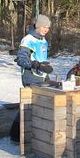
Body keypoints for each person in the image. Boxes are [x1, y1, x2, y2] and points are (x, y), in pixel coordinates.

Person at [10, 14, 54, 142]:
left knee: (44, 103)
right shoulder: (27, 40)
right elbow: (21, 60)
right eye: (44, 27)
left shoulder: (44, 40)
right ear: (38, 26)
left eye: (48, 27)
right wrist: (36, 65)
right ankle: (15, 134)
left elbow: (41, 57)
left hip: (42, 76)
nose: (46, 29)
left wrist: (45, 67)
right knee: (28, 104)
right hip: (30, 77)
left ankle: (38, 132)